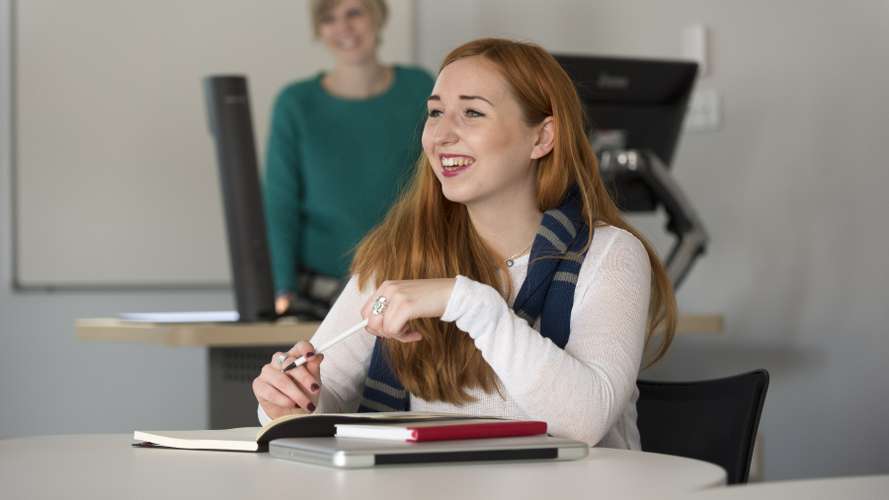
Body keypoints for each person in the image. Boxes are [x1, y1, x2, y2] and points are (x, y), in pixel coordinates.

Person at [253, 38, 677, 448]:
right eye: (435, 113)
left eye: (472, 113)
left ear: (542, 137)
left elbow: (586, 421)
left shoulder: (610, 255)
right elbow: (326, 395)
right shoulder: (399, 255)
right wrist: (289, 400)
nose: (440, 136)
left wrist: (465, 301)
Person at [264, 0, 433, 314]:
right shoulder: (296, 103)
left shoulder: (420, 88)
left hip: (406, 282)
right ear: (319, 30)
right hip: (316, 293)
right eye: (329, 18)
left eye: (354, 13)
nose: (343, 27)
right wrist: (282, 289)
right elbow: (280, 205)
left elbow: (439, 186)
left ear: (377, 17)